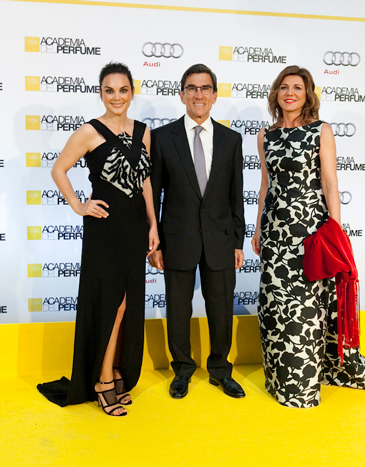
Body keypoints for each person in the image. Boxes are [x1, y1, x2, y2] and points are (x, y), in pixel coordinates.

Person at [251, 65, 365, 408]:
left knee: (306, 310)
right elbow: (265, 186)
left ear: (308, 94)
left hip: (310, 234)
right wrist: (257, 227)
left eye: (297, 88)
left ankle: (304, 384)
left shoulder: (321, 131)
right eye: (284, 87)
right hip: (274, 232)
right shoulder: (265, 135)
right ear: (275, 94)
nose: (290, 93)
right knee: (275, 307)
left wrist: (334, 230)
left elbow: (330, 183)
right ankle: (279, 379)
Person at [37, 62, 159, 416]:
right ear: (101, 94)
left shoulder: (143, 132)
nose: (116, 97)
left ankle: (115, 371)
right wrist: (78, 205)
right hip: (104, 229)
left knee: (127, 303)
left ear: (132, 92)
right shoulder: (89, 131)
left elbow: (144, 180)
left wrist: (153, 223)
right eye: (109, 90)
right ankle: (103, 379)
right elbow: (59, 169)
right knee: (113, 303)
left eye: (123, 90)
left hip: (135, 227)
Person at [149, 64, 246, 399]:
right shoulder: (162, 138)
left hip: (220, 240)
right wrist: (155, 241)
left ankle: (220, 370)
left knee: (221, 309)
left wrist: (237, 241)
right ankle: (182, 371)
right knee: (178, 309)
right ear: (181, 94)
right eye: (192, 88)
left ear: (215, 95)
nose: (199, 94)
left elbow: (237, 195)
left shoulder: (233, 140)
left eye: (205, 88)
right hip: (176, 239)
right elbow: (155, 194)